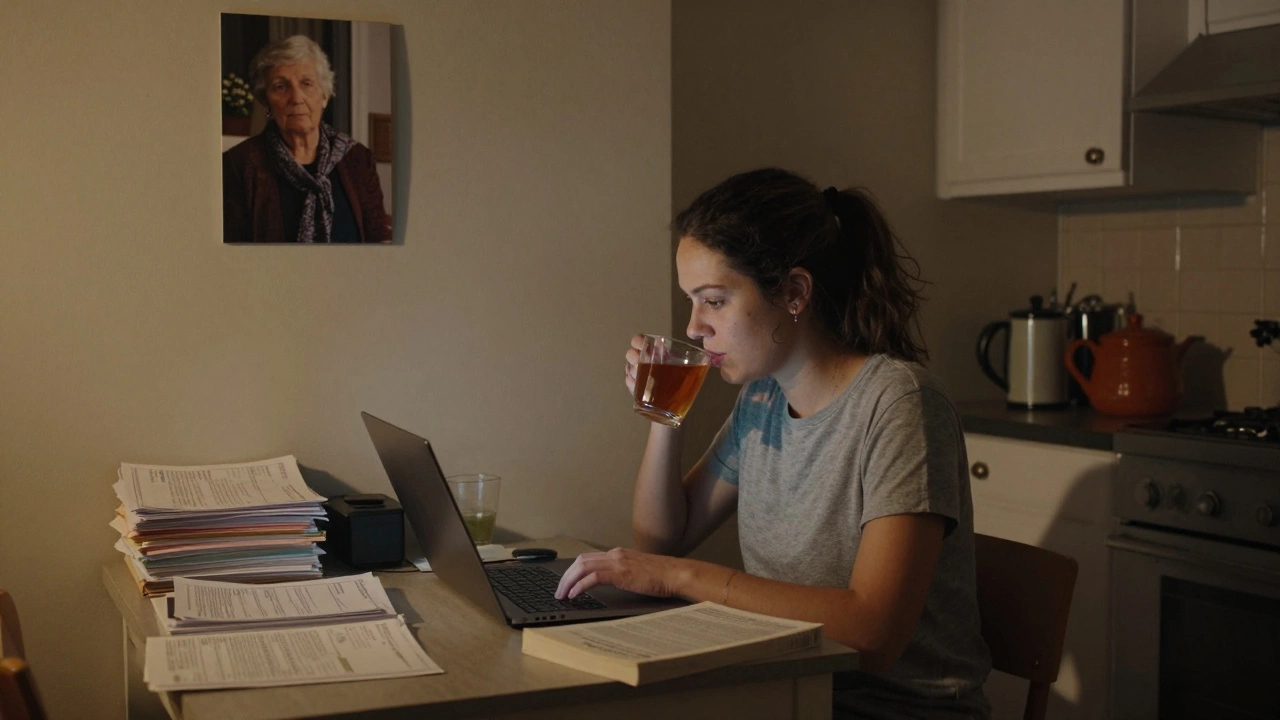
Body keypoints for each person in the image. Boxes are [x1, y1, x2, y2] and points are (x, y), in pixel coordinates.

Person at [555, 168, 992, 719]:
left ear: (793, 292)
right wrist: (665, 413)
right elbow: (663, 537)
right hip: (785, 692)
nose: (693, 327)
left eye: (713, 301)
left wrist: (679, 579)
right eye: (692, 301)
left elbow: (872, 635)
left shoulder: (900, 405)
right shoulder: (762, 401)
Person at [222, 35, 391, 244]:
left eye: (307, 83)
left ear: (324, 95)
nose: (296, 98)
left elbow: (379, 241)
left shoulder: (357, 158)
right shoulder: (238, 165)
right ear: (266, 102)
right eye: (280, 87)